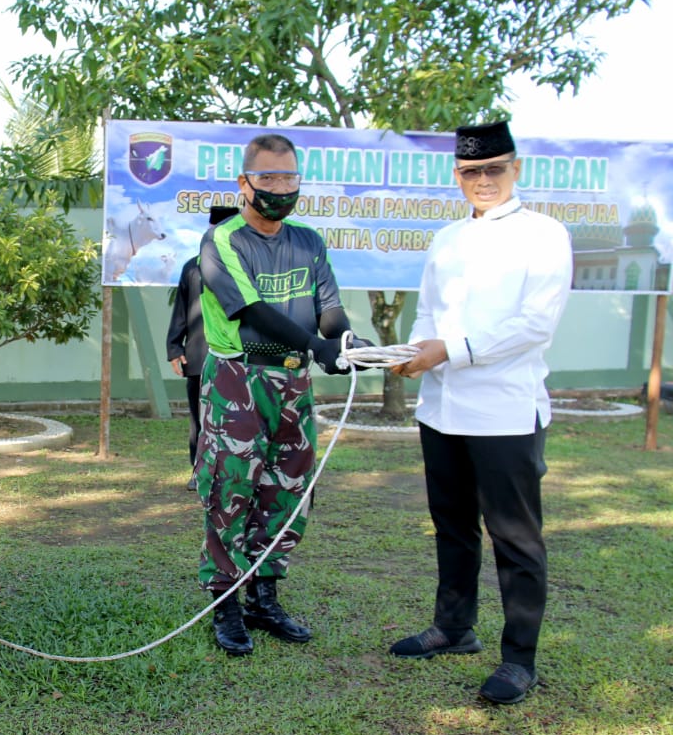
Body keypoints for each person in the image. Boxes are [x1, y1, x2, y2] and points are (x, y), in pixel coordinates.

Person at [388, 120, 572, 705]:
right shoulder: (446, 239)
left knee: (515, 538)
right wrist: (414, 353)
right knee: (451, 523)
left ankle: (519, 658)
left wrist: (453, 351)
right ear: (457, 176)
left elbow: (534, 324)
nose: (483, 181)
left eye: (494, 169)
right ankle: (453, 626)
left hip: (504, 413)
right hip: (441, 407)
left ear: (516, 168)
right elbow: (428, 314)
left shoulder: (544, 235)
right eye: (472, 172)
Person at [196, 133, 368, 657]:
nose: (280, 188)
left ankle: (264, 596)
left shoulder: (309, 242)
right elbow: (250, 311)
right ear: (244, 182)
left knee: (287, 488)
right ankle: (224, 602)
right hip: (238, 380)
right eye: (268, 177)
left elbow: (329, 307)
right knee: (232, 488)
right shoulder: (221, 241)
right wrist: (314, 343)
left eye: (289, 177)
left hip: (293, 383)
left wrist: (342, 342)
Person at [166, 207, 236, 492]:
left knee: (235, 418)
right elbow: (182, 309)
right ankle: (199, 471)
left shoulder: (245, 266)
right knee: (199, 419)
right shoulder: (192, 267)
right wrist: (174, 347)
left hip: (236, 357)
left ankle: (232, 473)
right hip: (198, 356)